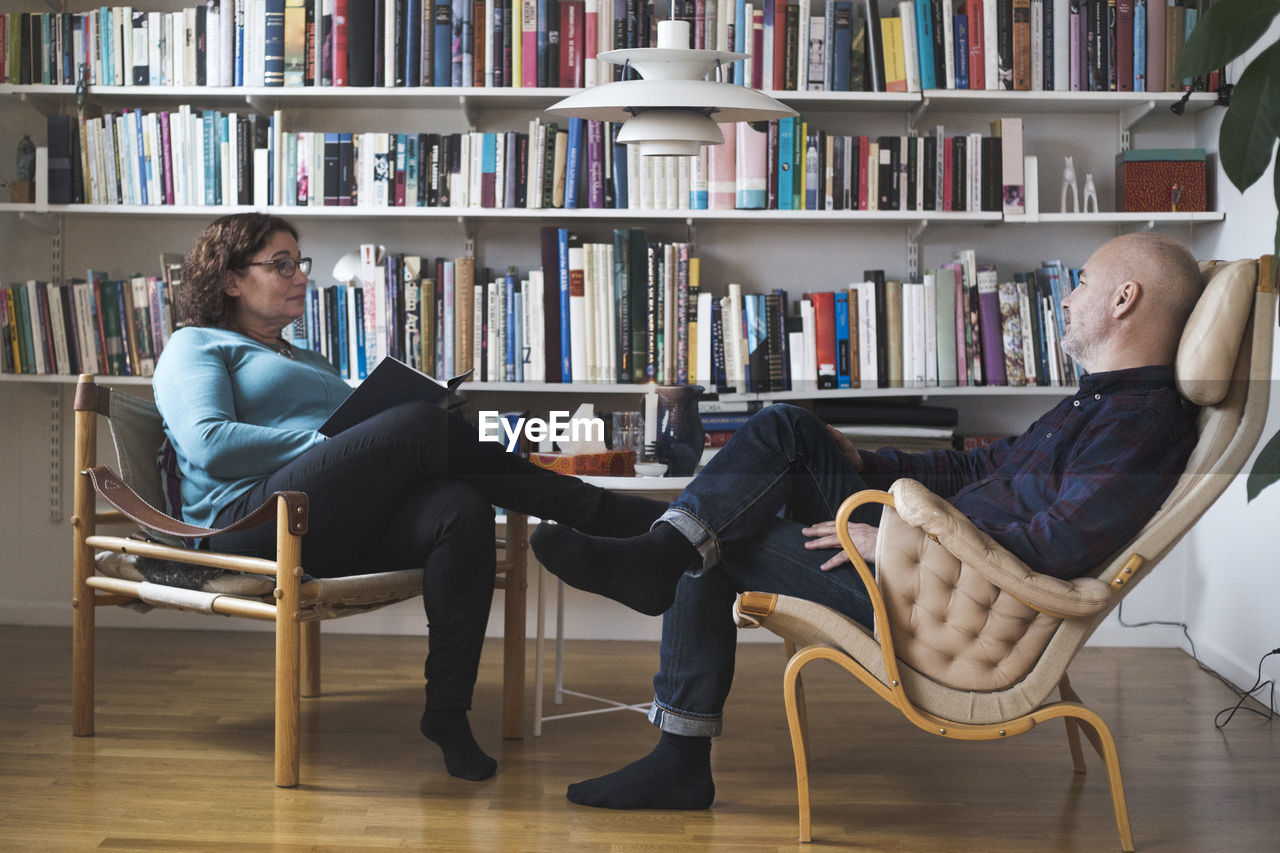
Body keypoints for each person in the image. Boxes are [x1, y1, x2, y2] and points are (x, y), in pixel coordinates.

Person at [530, 231, 1205, 810]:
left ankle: (673, 701)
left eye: (1083, 281)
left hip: (941, 600)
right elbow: (978, 469)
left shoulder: (1140, 428)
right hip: (927, 563)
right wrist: (867, 462)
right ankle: (660, 550)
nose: (1068, 295)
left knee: (719, 537)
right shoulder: (1094, 405)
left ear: (1125, 300)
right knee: (788, 429)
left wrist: (898, 542)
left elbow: (1055, 546)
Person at [152, 213, 666, 782]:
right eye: (280, 264)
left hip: (331, 522)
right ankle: (602, 514)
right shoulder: (195, 344)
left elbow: (349, 456)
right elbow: (210, 443)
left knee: (458, 508)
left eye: (300, 263)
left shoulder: (308, 359)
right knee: (419, 422)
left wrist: (362, 439)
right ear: (229, 280)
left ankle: (447, 712)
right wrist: (337, 441)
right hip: (249, 519)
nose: (299, 276)